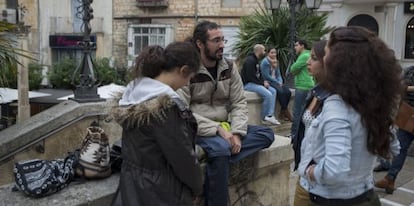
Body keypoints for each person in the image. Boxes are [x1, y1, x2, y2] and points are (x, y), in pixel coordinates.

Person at [297, 26, 402, 206]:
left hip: (333, 199)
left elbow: (334, 170)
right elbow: (394, 148)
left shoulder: (337, 108)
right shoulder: (371, 101)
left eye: (326, 53)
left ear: (339, 62)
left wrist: (310, 171)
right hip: (365, 194)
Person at [178, 20, 275, 206]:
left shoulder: (229, 67)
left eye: (223, 39)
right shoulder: (187, 70)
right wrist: (217, 130)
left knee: (267, 134)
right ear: (200, 44)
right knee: (221, 150)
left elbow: (239, 102)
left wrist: (237, 133)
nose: (222, 44)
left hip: (226, 129)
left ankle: (214, 153)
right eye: (216, 40)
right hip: (199, 129)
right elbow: (182, 111)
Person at [111, 42, 203, 206]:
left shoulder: (134, 95)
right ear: (183, 70)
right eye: (189, 78)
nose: (187, 84)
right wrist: (197, 187)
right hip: (161, 192)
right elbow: (183, 159)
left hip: (132, 187)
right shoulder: (166, 109)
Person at [291, 40, 327, 206]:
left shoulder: (336, 100)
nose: (308, 61)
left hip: (320, 184)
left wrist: (314, 171)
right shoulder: (316, 91)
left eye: (313, 58)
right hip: (304, 176)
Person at [375, 65, 414, 194]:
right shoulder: (409, 70)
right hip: (407, 114)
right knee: (400, 148)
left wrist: (407, 89)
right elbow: (398, 87)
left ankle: (390, 178)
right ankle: (390, 179)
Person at [241, 44, 280, 125]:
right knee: (268, 94)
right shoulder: (250, 61)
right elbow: (250, 77)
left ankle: (270, 115)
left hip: (255, 83)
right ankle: (264, 117)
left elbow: (259, 75)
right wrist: (262, 83)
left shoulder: (256, 60)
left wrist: (263, 82)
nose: (265, 52)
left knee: (273, 91)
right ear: (259, 51)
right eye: (264, 50)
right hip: (248, 84)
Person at [290, 40, 315, 139]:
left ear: (302, 46)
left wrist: (296, 70)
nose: (295, 47)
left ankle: (294, 134)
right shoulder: (309, 55)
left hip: (302, 86)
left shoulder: (304, 56)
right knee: (305, 111)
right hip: (308, 86)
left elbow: (293, 69)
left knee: (297, 111)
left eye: (296, 45)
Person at [260, 46, 293, 122]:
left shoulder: (276, 61)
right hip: (269, 82)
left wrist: (280, 81)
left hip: (276, 81)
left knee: (288, 92)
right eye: (272, 53)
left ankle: (283, 110)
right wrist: (277, 82)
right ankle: (286, 112)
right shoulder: (265, 62)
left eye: (275, 52)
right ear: (268, 53)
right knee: (280, 92)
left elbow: (278, 74)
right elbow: (266, 76)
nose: (274, 54)